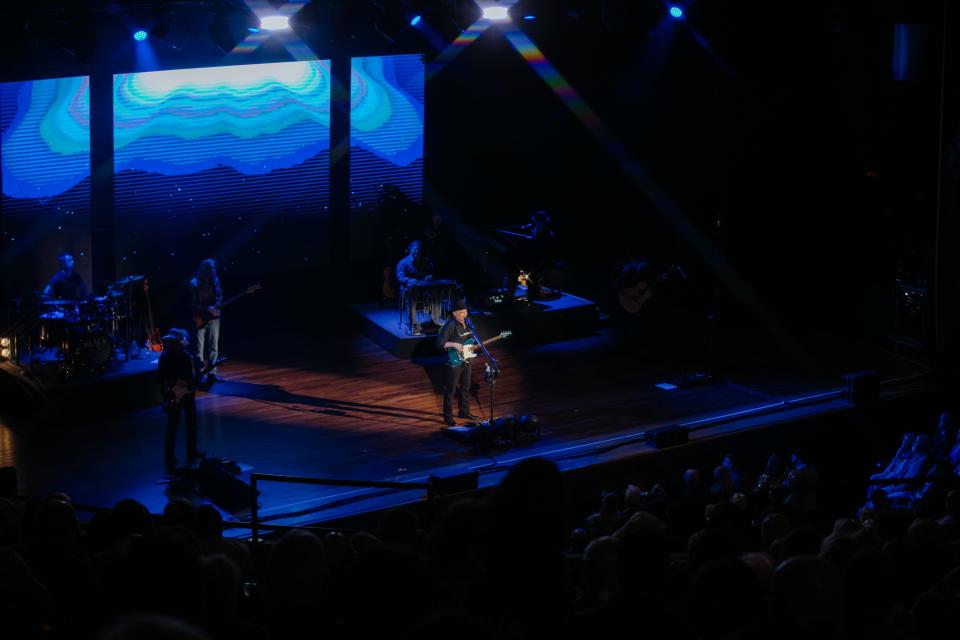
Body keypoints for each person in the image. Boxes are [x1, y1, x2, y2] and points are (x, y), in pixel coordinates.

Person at [158, 328, 201, 473]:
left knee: (189, 423)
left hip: (185, 394)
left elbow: (189, 378)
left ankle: (191, 451)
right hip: (174, 394)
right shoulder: (168, 358)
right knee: (174, 425)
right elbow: (163, 379)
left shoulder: (181, 357)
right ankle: (170, 455)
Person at [436, 298, 478, 426]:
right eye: (460, 313)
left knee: (465, 387)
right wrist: (454, 344)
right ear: (454, 313)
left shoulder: (468, 323)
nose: (463, 315)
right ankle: (448, 416)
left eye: (465, 312)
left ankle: (464, 412)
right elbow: (439, 343)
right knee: (451, 390)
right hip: (453, 362)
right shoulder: (450, 325)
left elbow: (472, 340)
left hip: (466, 359)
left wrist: (472, 347)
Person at [189, 259, 224, 383]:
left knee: (214, 347)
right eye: (210, 270)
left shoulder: (215, 280)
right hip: (200, 319)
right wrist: (207, 309)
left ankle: (212, 374)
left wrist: (216, 306)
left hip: (214, 318)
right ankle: (199, 374)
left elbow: (220, 295)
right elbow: (192, 304)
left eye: (213, 270)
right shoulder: (194, 283)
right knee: (199, 348)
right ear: (204, 270)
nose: (213, 273)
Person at [396, 240, 436, 334]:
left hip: (423, 288)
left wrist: (430, 276)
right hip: (408, 290)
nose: (417, 252)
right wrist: (409, 280)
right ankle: (412, 324)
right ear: (410, 250)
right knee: (411, 297)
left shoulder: (425, 261)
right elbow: (400, 276)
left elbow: (432, 272)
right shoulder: (403, 263)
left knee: (434, 295)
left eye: (419, 250)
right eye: (415, 250)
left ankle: (433, 321)